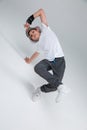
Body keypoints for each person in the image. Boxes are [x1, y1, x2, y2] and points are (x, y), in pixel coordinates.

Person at [24, 9, 66, 102]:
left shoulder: (45, 29)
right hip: (48, 61)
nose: (32, 35)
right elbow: (36, 53)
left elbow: (41, 11)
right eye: (30, 36)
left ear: (37, 30)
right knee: (37, 68)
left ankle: (39, 90)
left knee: (54, 86)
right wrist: (29, 60)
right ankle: (60, 86)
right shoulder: (39, 44)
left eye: (33, 32)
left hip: (59, 61)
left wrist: (29, 21)